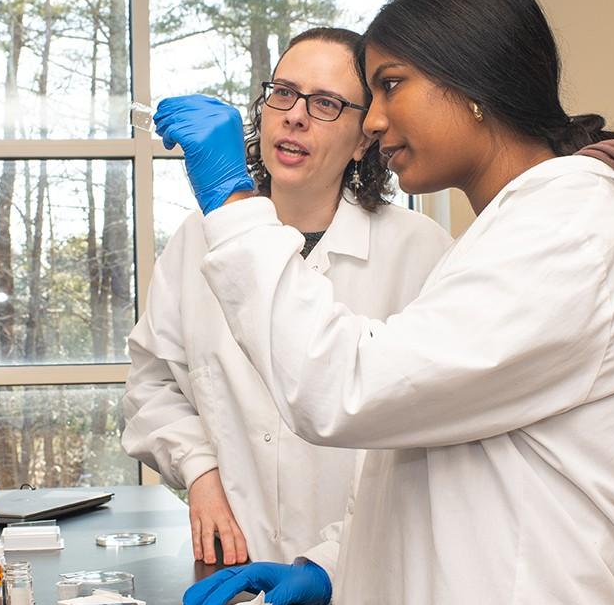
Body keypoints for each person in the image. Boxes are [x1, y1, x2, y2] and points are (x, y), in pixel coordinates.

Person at [153, 0, 614, 605]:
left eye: (390, 85)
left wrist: (231, 199)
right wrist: (329, 570)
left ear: (476, 84)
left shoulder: (566, 235)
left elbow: (346, 388)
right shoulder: (516, 234)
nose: (371, 121)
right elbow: (439, 468)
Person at [123, 28, 453, 567]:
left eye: (325, 103)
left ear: (365, 137)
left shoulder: (418, 253)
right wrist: (200, 472)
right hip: (234, 566)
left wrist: (329, 562)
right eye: (283, 93)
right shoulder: (198, 240)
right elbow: (153, 383)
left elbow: (431, 449)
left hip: (369, 575)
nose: (295, 116)